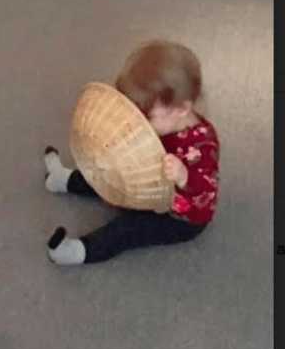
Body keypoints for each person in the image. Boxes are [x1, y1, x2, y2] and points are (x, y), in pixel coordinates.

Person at [43, 40, 219, 265]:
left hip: (179, 217)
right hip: (148, 186)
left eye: (147, 116)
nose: (139, 121)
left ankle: (81, 251)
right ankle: (67, 180)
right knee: (109, 171)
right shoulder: (162, 123)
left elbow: (206, 190)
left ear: (181, 109)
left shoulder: (203, 144)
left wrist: (184, 176)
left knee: (128, 228)